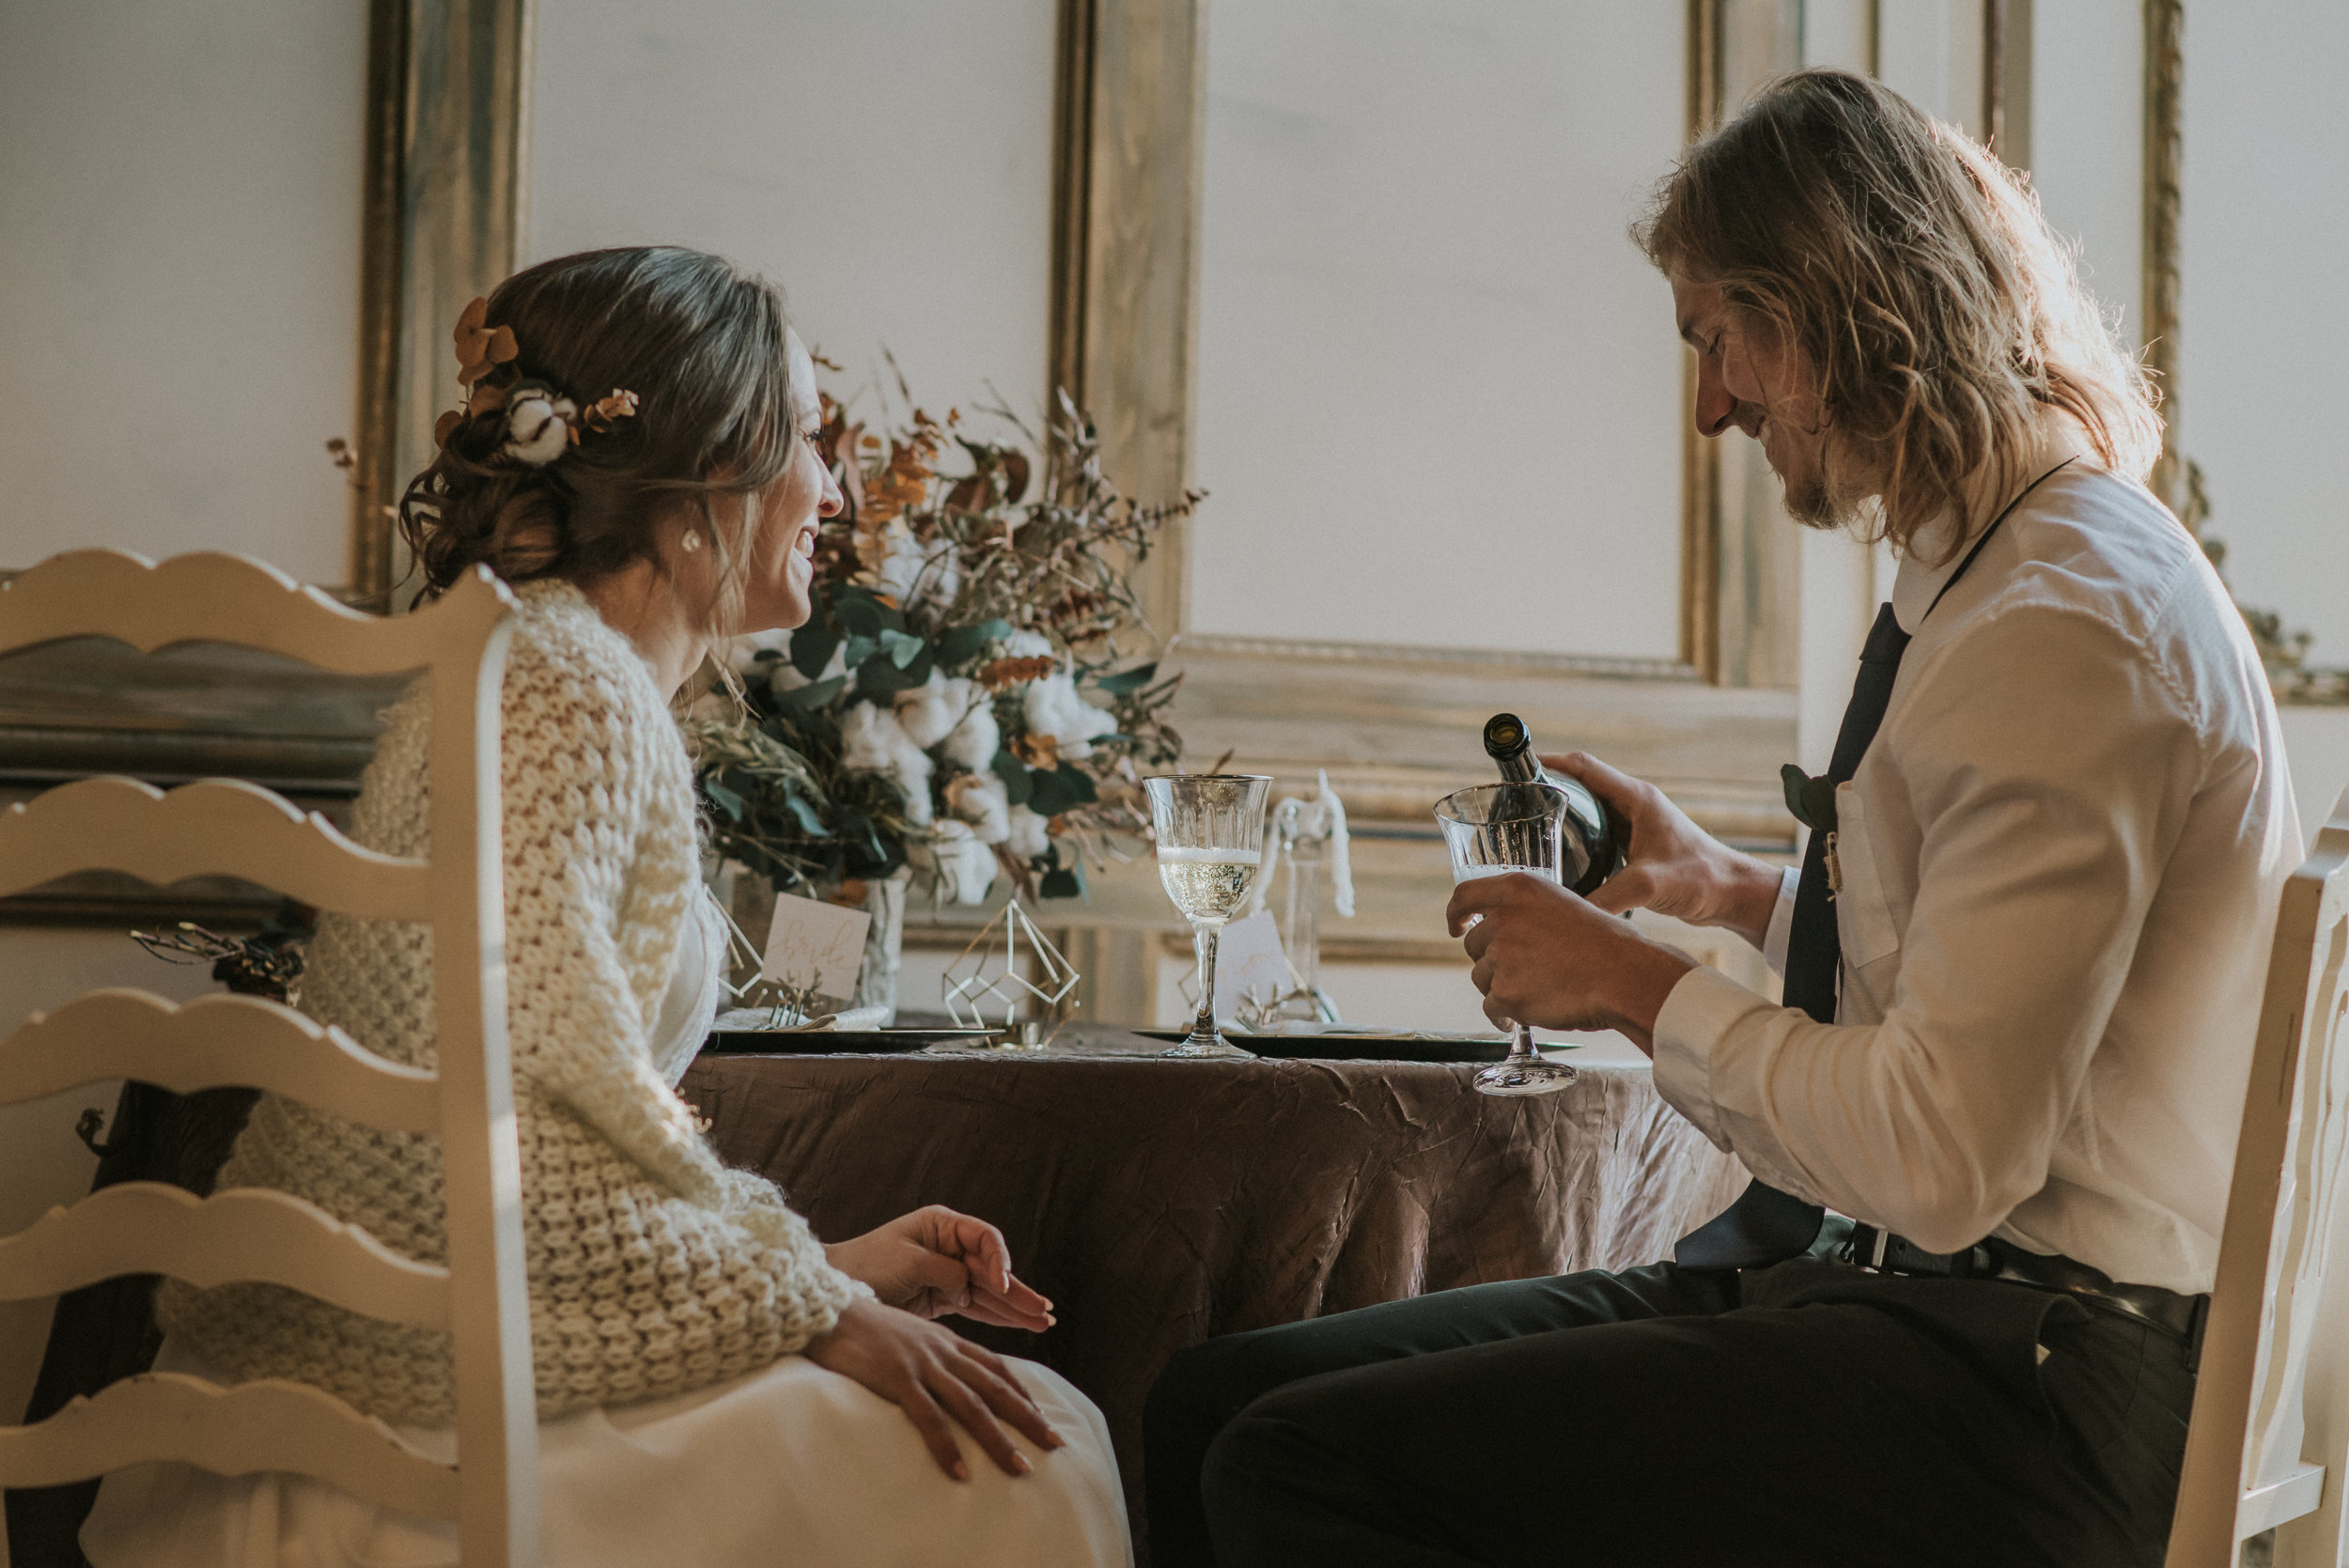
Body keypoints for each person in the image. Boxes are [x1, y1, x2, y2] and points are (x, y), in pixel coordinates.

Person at [1143, 70, 2296, 1568]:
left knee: (1293, 1465)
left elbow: (1945, 1153)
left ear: (1830, 301)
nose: (1711, 408)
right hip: (1934, 1309)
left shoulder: (2059, 624)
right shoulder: (2007, 567)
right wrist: (1734, 893)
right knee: (1211, 1406)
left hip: (2037, 1386)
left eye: (1716, 339)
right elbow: (2001, 997)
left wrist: (1631, 982)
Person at [82, 246, 1131, 1567]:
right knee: (1033, 1456)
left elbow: (550, 1140)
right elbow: (515, 1146)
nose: (838, 488)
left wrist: (830, 1265)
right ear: (703, 477)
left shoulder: (549, 671)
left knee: (1025, 1427)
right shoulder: (563, 692)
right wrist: (814, 1306)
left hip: (435, 1356)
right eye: (810, 439)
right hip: (412, 1436)